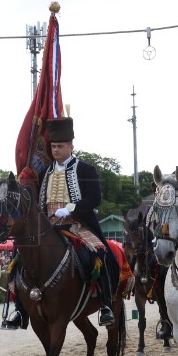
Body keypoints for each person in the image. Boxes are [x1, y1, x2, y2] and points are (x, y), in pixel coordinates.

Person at [36, 116, 118, 326]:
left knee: (100, 251)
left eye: (60, 146)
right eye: (53, 146)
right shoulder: (45, 172)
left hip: (77, 224)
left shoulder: (85, 169)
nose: (56, 150)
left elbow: (95, 198)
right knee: (23, 253)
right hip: (49, 226)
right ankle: (19, 307)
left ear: (71, 146)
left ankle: (105, 304)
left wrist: (71, 208)